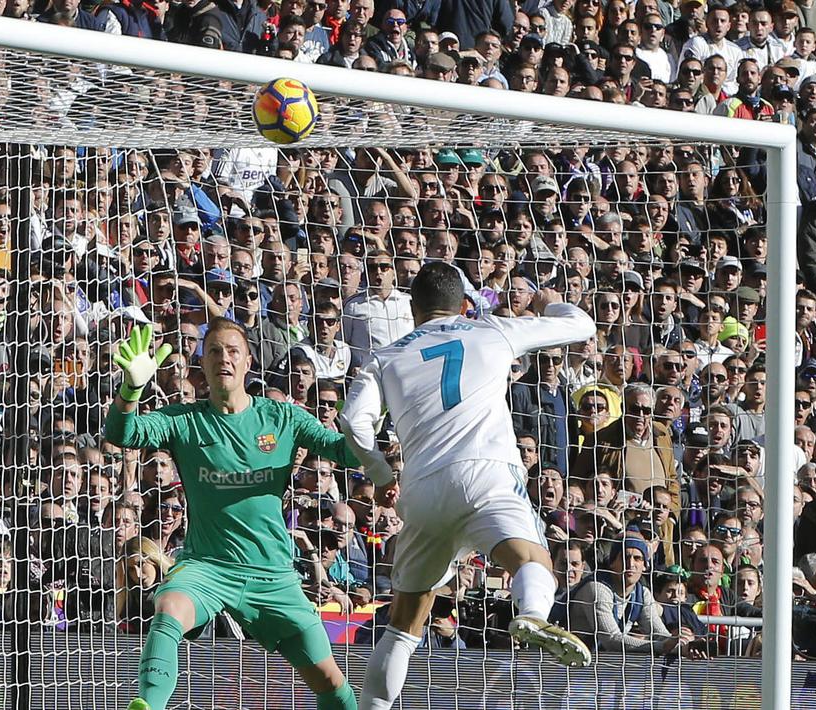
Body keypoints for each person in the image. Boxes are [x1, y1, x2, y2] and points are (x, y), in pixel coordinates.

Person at [339, 262, 595, 710]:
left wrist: (381, 476)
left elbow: (353, 422)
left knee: (404, 625)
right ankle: (533, 615)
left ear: (413, 310)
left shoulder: (387, 356)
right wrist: (545, 302)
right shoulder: (492, 330)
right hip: (487, 474)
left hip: (423, 489)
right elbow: (580, 325)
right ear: (463, 306)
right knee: (532, 562)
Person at [105, 322, 361, 710]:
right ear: (201, 365)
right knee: (169, 605)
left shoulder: (282, 418)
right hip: (207, 566)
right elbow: (121, 433)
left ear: (248, 362)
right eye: (213, 351)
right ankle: (148, 704)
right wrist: (131, 390)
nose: (223, 358)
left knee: (328, 680)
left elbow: (344, 452)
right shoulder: (183, 420)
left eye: (233, 351)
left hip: (272, 575)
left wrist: (368, 426)